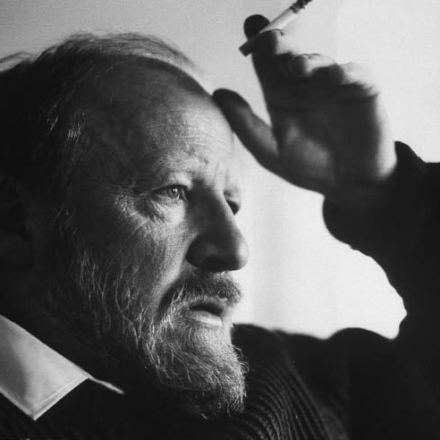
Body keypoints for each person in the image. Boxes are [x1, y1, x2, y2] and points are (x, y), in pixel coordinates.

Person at [0, 14, 438, 439]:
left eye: (231, 204)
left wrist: (387, 199)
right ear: (16, 220)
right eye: (173, 191)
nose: (235, 249)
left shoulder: (284, 380)